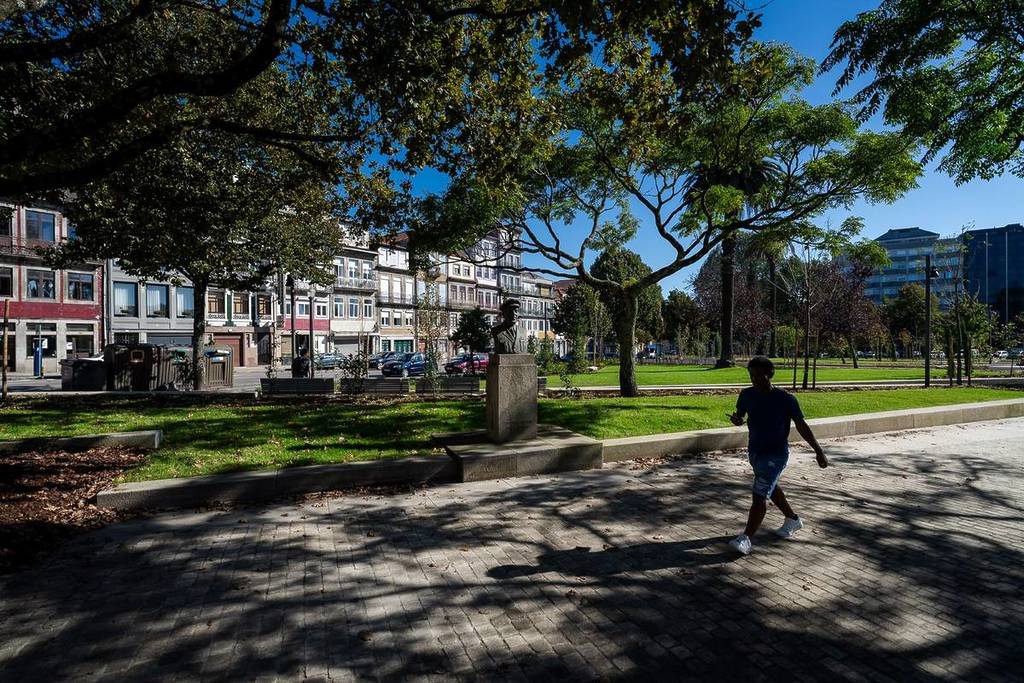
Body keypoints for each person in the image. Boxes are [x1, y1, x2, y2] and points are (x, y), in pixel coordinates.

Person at [727, 356, 828, 555]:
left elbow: (801, 426)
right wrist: (737, 419)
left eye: (759, 375)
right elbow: (740, 415)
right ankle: (792, 520)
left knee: (759, 495)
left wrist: (818, 451)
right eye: (751, 375)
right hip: (755, 451)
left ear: (770, 374)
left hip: (776, 454)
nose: (754, 379)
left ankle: (746, 538)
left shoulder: (786, 399)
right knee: (769, 487)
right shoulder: (746, 395)